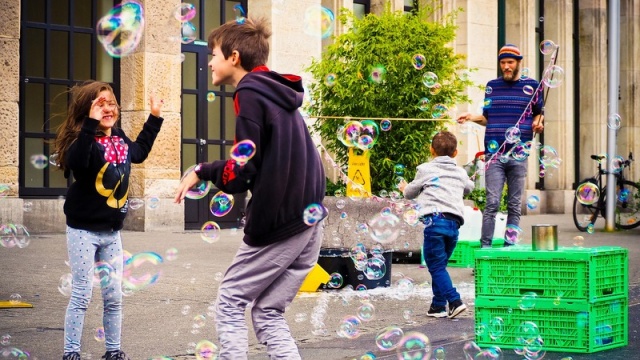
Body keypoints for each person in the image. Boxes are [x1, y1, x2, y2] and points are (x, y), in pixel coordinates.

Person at [174, 17, 326, 360]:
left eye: (213, 54)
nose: (209, 61)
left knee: (230, 299)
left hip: (282, 222)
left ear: (234, 57)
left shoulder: (250, 92)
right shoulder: (277, 94)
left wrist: (204, 170)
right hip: (310, 220)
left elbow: (242, 171)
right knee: (268, 312)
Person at [54, 80, 164, 360]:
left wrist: (154, 118)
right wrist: (90, 127)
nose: (107, 108)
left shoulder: (119, 138)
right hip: (83, 230)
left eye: (111, 103)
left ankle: (113, 351)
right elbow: (78, 162)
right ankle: (71, 353)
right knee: (81, 294)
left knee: (113, 296)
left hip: (112, 232)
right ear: (87, 110)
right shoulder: (83, 141)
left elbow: (138, 153)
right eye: (99, 103)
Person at [456, 43, 544, 248]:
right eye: (503, 62)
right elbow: (487, 118)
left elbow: (539, 113)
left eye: (510, 62)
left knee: (514, 204)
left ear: (518, 63)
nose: (506, 66)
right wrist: (471, 117)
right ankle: (485, 249)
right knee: (492, 203)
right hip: (494, 154)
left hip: (519, 153)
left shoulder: (532, 86)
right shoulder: (492, 86)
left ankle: (508, 249)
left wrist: (538, 123)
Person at [398, 131, 475, 319]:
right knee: (440, 265)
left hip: (434, 223)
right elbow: (469, 188)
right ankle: (438, 306)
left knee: (436, 266)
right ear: (456, 153)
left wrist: (403, 187)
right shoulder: (460, 172)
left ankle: (455, 301)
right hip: (453, 225)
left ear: (431, 150)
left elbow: (410, 193)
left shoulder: (425, 169)